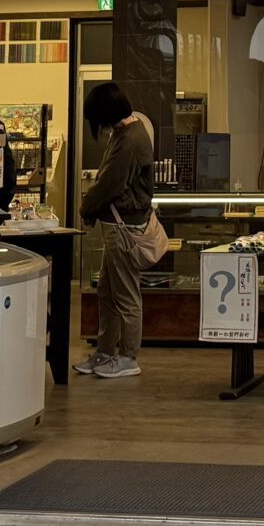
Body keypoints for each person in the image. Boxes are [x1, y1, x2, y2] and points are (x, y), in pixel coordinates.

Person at [76, 80, 157, 378]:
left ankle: (127, 358)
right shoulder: (130, 132)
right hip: (120, 224)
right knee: (108, 292)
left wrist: (86, 208)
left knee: (125, 294)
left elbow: (110, 184)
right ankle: (106, 352)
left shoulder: (129, 140)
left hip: (123, 227)